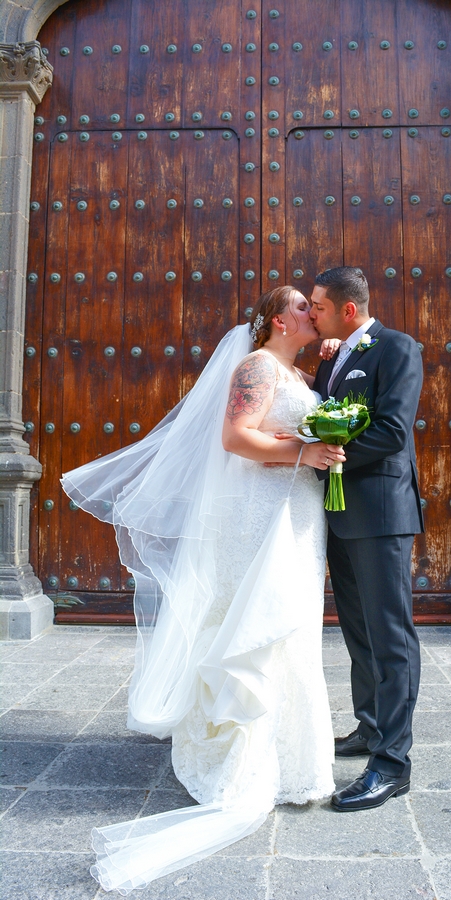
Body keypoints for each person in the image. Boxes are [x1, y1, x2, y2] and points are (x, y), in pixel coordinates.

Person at [61, 286, 344, 894]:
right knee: (255, 626)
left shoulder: (295, 370)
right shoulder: (257, 367)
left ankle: (295, 763)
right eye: (302, 307)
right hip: (256, 516)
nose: (310, 314)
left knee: (290, 626)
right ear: (277, 318)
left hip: (294, 512)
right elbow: (236, 438)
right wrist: (307, 451)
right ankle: (237, 762)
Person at [310, 266, 424, 812]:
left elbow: (393, 430)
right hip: (339, 514)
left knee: (391, 635)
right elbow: (319, 410)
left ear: (347, 309)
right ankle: (370, 726)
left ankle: (392, 764)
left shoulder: (398, 348)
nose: (311, 315)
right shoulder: (335, 356)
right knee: (357, 631)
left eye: (318, 307)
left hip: (380, 511)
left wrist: (333, 451)